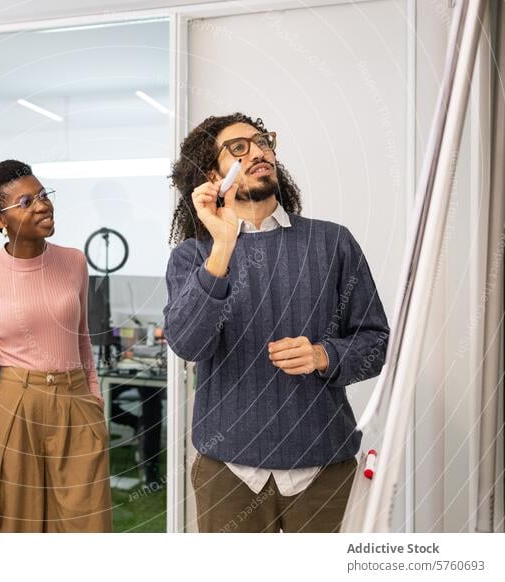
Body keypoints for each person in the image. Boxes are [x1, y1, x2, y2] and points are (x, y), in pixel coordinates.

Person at [164, 113, 390, 533]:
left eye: (262, 142)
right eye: (238, 148)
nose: (257, 152)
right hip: (228, 474)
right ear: (214, 175)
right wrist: (223, 246)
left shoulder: (332, 242)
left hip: (325, 468)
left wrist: (326, 354)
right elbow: (187, 345)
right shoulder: (194, 257)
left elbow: (377, 343)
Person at [0, 160, 112, 533]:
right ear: (0, 220)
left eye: (44, 195)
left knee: (87, 529)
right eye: (27, 201)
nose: (43, 205)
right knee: (20, 533)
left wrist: (94, 401)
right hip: (16, 409)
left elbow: (82, 341)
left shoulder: (74, 262)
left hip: (76, 406)